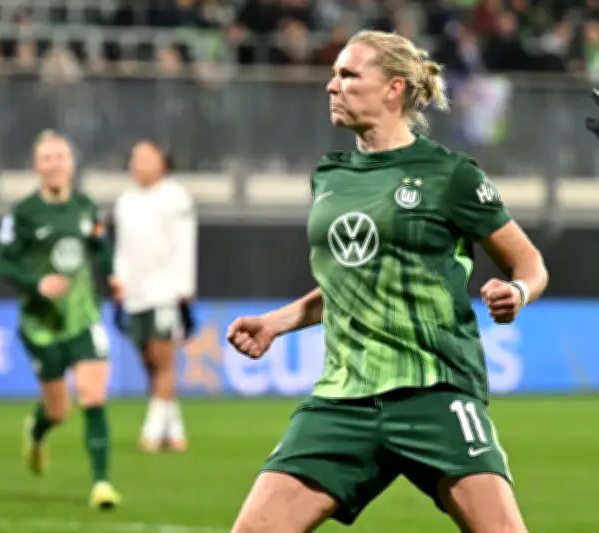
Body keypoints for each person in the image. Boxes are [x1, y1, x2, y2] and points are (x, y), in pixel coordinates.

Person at [226, 30, 548, 533]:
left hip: (435, 392)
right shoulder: (329, 177)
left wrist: (519, 292)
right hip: (343, 399)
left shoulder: (451, 175)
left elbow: (529, 263)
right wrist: (277, 322)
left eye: (349, 74)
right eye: (333, 74)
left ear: (393, 88)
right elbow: (351, 284)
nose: (332, 85)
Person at [0, 130, 122, 510]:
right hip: (42, 325)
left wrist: (112, 275)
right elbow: (3, 263)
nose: (54, 165)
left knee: (93, 395)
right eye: (47, 158)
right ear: (37, 166)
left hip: (83, 317)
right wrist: (37, 284)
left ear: (71, 163)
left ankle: (101, 483)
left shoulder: (85, 207)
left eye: (60, 157)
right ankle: (36, 431)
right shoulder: (23, 213)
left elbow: (100, 247)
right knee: (58, 411)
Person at [112, 140, 198, 453]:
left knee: (163, 358)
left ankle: (152, 430)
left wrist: (184, 291)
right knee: (148, 360)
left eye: (146, 158)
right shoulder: (125, 202)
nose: (138, 164)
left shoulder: (176, 198)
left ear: (162, 162)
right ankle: (174, 428)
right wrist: (119, 283)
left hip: (165, 291)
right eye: (135, 158)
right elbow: (122, 248)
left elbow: (184, 245)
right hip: (135, 294)